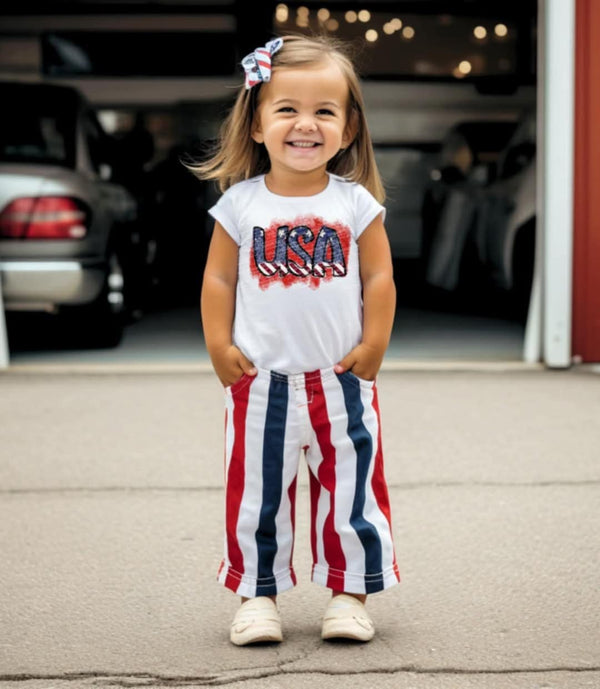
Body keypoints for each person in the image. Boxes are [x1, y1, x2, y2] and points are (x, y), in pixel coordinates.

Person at [188, 34, 400, 646]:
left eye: (324, 111)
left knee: (352, 492)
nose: (306, 124)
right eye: (287, 109)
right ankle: (258, 597)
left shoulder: (355, 204)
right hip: (260, 382)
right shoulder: (240, 204)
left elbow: (379, 277)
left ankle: (349, 595)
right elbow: (218, 279)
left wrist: (375, 345)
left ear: (349, 128)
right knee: (257, 496)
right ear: (257, 124)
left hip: (342, 380)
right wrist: (218, 345)